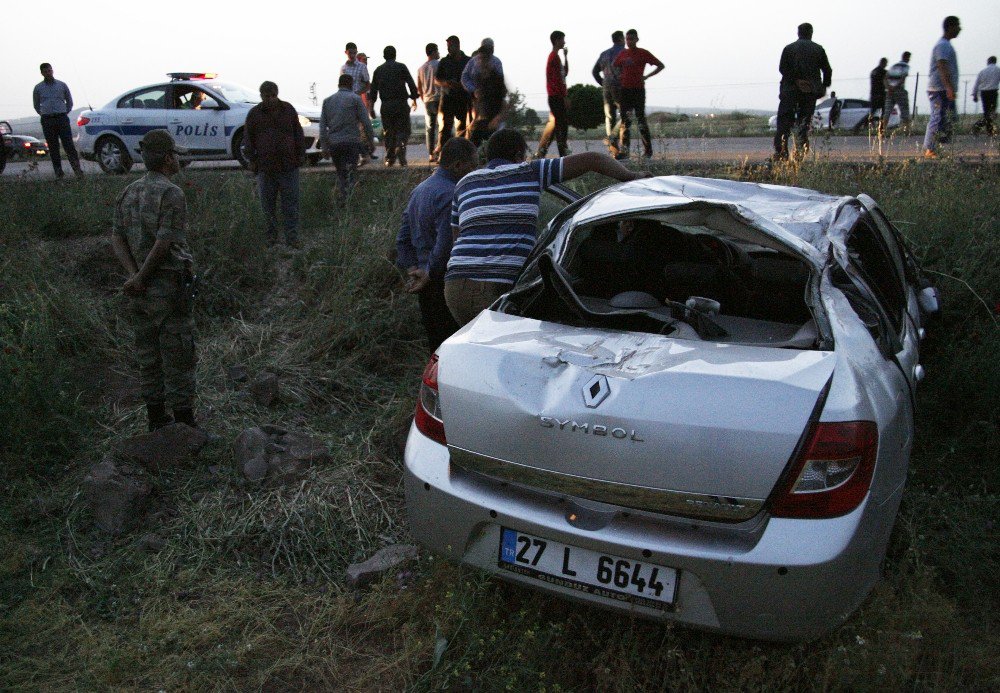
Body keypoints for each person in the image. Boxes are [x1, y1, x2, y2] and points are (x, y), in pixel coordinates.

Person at [444, 129, 650, 326]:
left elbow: (457, 239)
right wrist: (631, 177)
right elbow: (593, 159)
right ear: (518, 156)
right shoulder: (528, 171)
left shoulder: (464, 183)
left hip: (454, 287)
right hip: (492, 286)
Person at [109, 130, 197, 431]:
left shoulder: (128, 192)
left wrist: (134, 277)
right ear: (168, 157)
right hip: (167, 287)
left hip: (140, 290)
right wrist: (144, 276)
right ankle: (184, 423)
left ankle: (156, 418)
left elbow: (117, 237)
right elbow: (163, 242)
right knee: (179, 354)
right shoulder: (172, 193)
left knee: (148, 355)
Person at [396, 138, 479, 351]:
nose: (475, 170)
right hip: (441, 281)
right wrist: (429, 273)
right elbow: (446, 244)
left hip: (423, 281)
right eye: (473, 165)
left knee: (435, 347)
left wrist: (413, 269)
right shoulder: (452, 194)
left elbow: (403, 238)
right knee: (451, 348)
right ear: (458, 165)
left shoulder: (420, 189)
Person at [244, 81, 305, 247]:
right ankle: (271, 239)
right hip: (266, 168)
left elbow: (298, 134)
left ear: (277, 94)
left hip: (288, 166)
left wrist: (300, 155)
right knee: (268, 207)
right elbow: (248, 140)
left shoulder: (288, 110)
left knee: (291, 205)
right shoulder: (254, 114)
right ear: (261, 96)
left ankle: (292, 239)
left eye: (273, 95)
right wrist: (252, 160)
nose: (270, 99)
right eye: (266, 96)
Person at [773, 23, 832, 160]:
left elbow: (783, 68)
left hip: (789, 91)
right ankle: (799, 154)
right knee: (803, 124)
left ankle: (781, 153)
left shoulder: (789, 48)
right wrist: (823, 86)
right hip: (809, 92)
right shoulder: (818, 49)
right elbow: (827, 70)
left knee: (783, 123)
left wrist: (796, 81)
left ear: (798, 33)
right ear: (811, 33)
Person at [321, 75, 375, 204]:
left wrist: (324, 147)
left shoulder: (327, 101)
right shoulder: (355, 99)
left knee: (341, 173)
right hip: (351, 143)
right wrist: (371, 141)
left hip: (334, 144)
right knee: (351, 172)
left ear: (339, 84)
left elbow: (323, 127)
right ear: (351, 84)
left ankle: (343, 200)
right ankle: (348, 202)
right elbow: (366, 123)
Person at [613, 29, 664, 159]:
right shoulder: (623, 54)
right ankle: (625, 151)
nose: (629, 41)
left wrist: (646, 76)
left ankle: (648, 151)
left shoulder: (643, 53)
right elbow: (615, 66)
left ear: (637, 39)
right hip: (625, 90)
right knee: (625, 121)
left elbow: (660, 65)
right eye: (627, 39)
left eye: (632, 39)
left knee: (641, 120)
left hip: (638, 90)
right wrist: (620, 78)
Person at [370, 45, 419, 167]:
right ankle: (400, 148)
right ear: (395, 55)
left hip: (386, 105)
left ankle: (389, 157)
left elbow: (373, 91)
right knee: (403, 130)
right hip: (401, 104)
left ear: (384, 56)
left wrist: (371, 107)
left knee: (388, 132)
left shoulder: (378, 70)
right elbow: (411, 83)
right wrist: (414, 96)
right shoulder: (401, 67)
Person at [32, 63, 82, 178]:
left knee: (69, 146)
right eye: (45, 71)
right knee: (53, 148)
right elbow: (36, 105)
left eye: (49, 70)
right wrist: (44, 114)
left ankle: (78, 172)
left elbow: (69, 101)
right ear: (42, 73)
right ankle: (59, 174)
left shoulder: (61, 85)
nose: (48, 73)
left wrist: (64, 112)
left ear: (52, 70)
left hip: (62, 118)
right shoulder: (38, 88)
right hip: (47, 120)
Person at [923, 16, 961, 158]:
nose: (959, 29)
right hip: (939, 89)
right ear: (950, 27)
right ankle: (930, 149)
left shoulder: (946, 45)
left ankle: (935, 147)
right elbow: (941, 66)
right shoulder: (943, 45)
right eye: (957, 25)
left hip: (942, 88)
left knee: (949, 119)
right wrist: (948, 87)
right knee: (938, 117)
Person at [466, 46, 511, 147]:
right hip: (482, 121)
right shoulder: (478, 78)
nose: (481, 62)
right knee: (472, 147)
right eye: (479, 59)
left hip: (495, 123)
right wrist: (475, 119)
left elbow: (505, 102)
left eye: (483, 59)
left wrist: (498, 118)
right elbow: (478, 101)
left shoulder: (497, 78)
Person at [536, 30, 571, 159]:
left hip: (556, 96)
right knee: (561, 126)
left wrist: (566, 57)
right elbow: (556, 80)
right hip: (556, 97)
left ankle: (542, 152)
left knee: (556, 126)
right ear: (556, 40)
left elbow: (564, 73)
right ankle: (563, 154)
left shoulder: (556, 57)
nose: (564, 42)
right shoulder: (553, 58)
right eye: (562, 39)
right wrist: (564, 97)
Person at [435, 36, 472, 153]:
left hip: (463, 98)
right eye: (448, 46)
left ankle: (460, 152)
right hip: (448, 98)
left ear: (457, 45)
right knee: (446, 127)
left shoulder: (467, 61)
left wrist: (463, 85)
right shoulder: (444, 61)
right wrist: (446, 83)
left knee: (463, 126)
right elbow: (437, 79)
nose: (449, 49)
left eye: (451, 46)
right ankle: (444, 153)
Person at [592, 30, 626, 157]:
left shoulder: (604, 54)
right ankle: (617, 142)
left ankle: (613, 150)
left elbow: (595, 72)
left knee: (609, 117)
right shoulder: (624, 53)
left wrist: (603, 83)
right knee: (625, 115)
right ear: (621, 39)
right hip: (621, 88)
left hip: (606, 88)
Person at [341, 43, 376, 161]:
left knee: (362, 127)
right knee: (351, 128)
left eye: (354, 52)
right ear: (346, 52)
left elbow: (367, 85)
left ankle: (364, 153)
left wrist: (357, 93)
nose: (352, 55)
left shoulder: (361, 67)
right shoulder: (343, 68)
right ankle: (356, 155)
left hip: (358, 100)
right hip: (347, 102)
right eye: (350, 52)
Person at [417, 43, 442, 163]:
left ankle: (431, 154)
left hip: (427, 100)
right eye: (437, 51)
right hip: (439, 98)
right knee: (442, 127)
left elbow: (419, 87)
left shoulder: (421, 68)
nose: (439, 53)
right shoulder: (439, 64)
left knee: (430, 128)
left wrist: (423, 98)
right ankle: (441, 152)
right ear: (433, 52)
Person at [883, 52, 912, 132]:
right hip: (899, 90)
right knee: (904, 111)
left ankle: (882, 130)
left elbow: (885, 78)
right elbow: (903, 78)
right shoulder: (905, 66)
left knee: (887, 112)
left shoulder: (893, 66)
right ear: (907, 58)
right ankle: (907, 130)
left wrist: (889, 88)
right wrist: (895, 87)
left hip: (889, 92)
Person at [972, 56, 999, 136]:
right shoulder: (998, 70)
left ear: (988, 62)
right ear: (995, 61)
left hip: (984, 93)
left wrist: (975, 95)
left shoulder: (982, 71)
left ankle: (987, 129)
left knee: (986, 112)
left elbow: (977, 84)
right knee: (991, 113)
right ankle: (986, 129)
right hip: (993, 93)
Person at [869, 58, 888, 125]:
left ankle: (868, 124)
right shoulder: (883, 71)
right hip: (880, 94)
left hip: (873, 94)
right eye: (886, 63)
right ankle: (881, 125)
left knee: (873, 111)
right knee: (884, 110)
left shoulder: (873, 71)